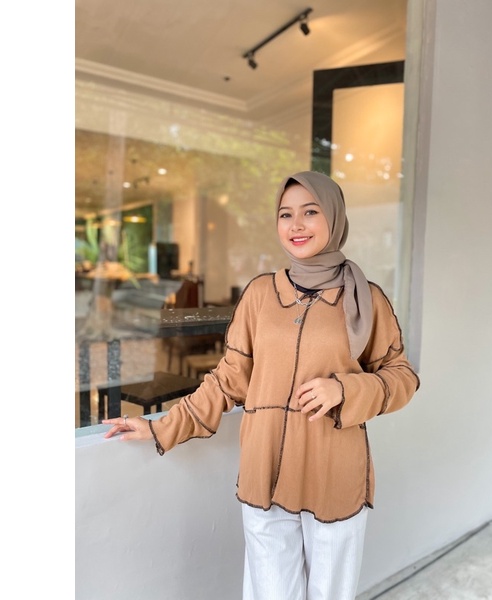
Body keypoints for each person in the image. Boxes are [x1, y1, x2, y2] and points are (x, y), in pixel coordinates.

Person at [103, 170, 420, 600]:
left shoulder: (367, 299)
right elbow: (227, 380)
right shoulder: (259, 295)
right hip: (264, 470)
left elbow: (401, 377)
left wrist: (345, 390)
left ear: (334, 218)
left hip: (334, 473)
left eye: (311, 212)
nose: (296, 225)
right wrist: (161, 427)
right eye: (285, 214)